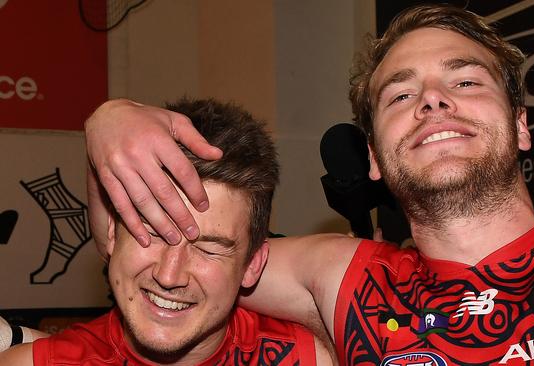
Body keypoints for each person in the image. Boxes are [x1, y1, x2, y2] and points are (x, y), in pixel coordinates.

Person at [82, 4, 534, 366]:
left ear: (521, 124)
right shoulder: (342, 280)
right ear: (374, 156)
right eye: (401, 95)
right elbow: (143, 249)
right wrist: (108, 122)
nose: (432, 99)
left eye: (466, 80)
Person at [0, 98, 330, 365]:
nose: (170, 275)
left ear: (252, 265)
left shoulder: (310, 359)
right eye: (154, 232)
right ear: (112, 231)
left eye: (208, 249)